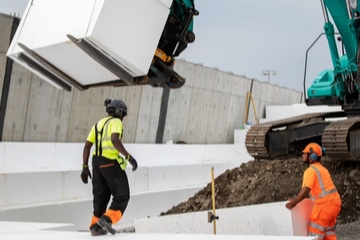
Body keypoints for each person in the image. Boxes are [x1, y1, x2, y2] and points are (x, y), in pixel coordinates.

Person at [81, 98, 138, 236]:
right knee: (122, 195)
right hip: (110, 162)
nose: (122, 118)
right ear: (119, 111)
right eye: (123, 114)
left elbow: (87, 146)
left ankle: (96, 227)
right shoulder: (116, 122)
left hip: (96, 164)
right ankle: (107, 219)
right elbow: (114, 139)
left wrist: (84, 167)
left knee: (100, 196)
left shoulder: (97, 124)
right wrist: (128, 157)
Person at [286, 142, 341, 240]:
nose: (303, 155)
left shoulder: (310, 171)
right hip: (335, 205)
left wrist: (294, 203)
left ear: (312, 156)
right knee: (329, 234)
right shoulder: (322, 169)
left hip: (323, 207)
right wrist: (296, 199)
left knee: (315, 235)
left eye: (305, 154)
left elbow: (306, 189)